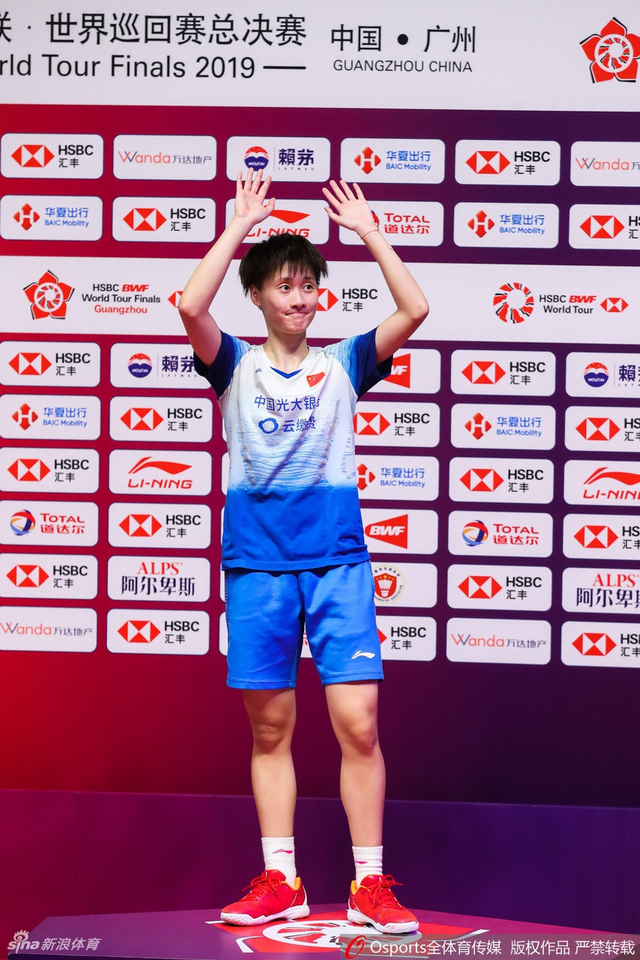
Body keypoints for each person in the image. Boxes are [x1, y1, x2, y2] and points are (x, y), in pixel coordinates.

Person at [179, 171, 429, 935]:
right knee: (270, 731)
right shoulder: (233, 365)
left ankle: (369, 884)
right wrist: (239, 226)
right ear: (256, 295)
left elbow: (414, 309)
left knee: (359, 724)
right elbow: (189, 306)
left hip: (337, 565)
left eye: (308, 286)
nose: (299, 298)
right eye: (283, 286)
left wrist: (369, 233)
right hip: (257, 566)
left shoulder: (345, 364)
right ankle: (281, 879)